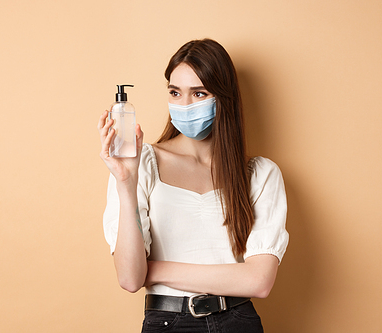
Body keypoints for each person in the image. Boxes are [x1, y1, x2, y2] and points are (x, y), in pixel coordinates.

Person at [98, 38, 288, 333]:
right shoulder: (141, 163)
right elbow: (130, 278)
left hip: (238, 322)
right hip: (167, 322)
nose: (184, 105)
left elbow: (259, 282)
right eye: (175, 92)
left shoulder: (259, 174)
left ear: (223, 97)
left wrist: (156, 269)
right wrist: (126, 183)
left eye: (199, 93)